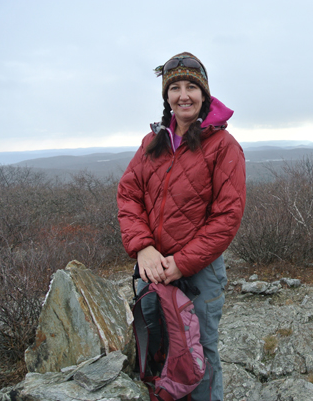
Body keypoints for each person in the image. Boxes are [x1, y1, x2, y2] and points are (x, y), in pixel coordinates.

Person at [117, 52, 246, 401]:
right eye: (175, 87)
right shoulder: (152, 144)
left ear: (204, 94)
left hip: (199, 272)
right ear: (166, 96)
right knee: (158, 348)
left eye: (192, 86)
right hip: (153, 268)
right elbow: (128, 194)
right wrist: (143, 247)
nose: (183, 94)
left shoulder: (223, 147)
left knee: (200, 354)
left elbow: (227, 217)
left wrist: (182, 262)